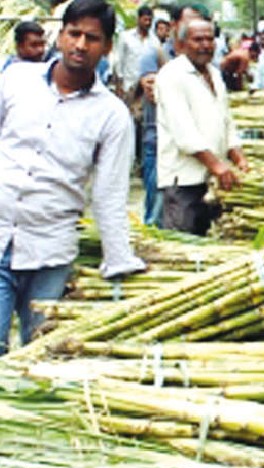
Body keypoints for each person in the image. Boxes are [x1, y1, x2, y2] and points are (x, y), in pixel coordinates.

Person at [0, 0, 146, 355]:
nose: (81, 45)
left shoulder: (112, 116)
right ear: (60, 36)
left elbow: (109, 195)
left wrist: (118, 259)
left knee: (40, 357)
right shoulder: (15, 80)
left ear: (107, 46)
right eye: (74, 34)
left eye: (92, 38)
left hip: (50, 248)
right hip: (1, 228)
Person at [156, 18, 247, 236]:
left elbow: (226, 121)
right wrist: (217, 166)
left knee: (211, 240)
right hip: (184, 179)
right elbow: (184, 133)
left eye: (209, 39)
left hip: (212, 180)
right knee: (184, 244)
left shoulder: (214, 74)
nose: (205, 45)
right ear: (182, 44)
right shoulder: (172, 76)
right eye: (198, 39)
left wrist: (237, 156)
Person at [136, 3, 209, 227]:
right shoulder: (156, 54)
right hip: (161, 144)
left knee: (187, 213)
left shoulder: (205, 63)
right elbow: (152, 90)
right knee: (158, 208)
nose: (194, 29)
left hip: (195, 152)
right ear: (175, 25)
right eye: (189, 22)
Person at [113, 5, 158, 97]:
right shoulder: (125, 37)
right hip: (128, 86)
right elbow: (118, 61)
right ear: (138, 19)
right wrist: (119, 85)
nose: (147, 23)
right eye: (145, 20)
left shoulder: (154, 41)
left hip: (146, 88)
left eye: (150, 20)